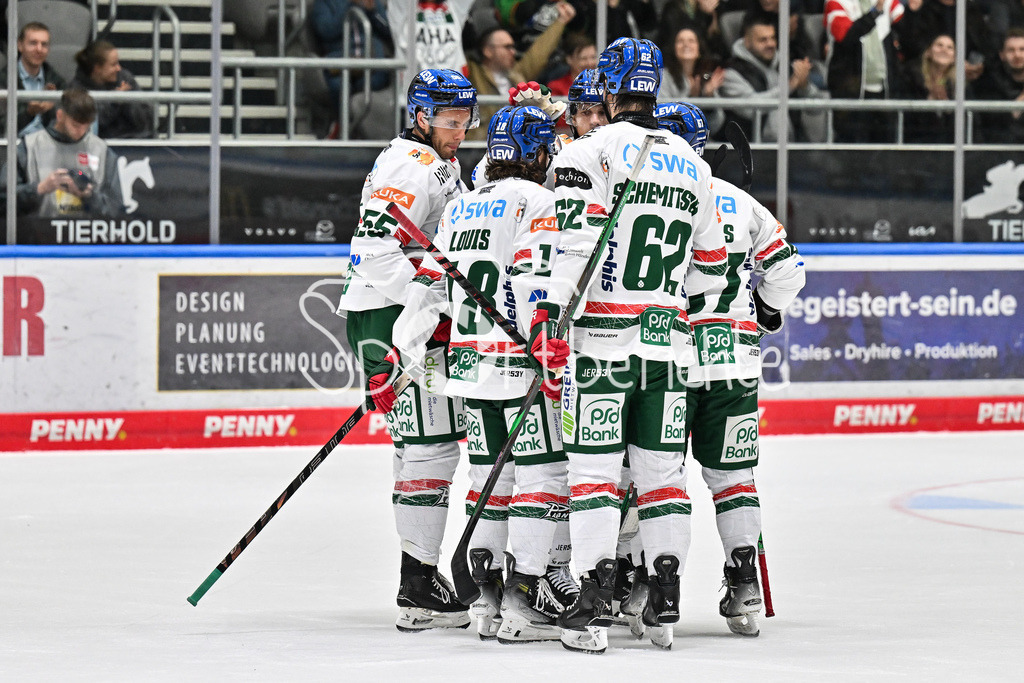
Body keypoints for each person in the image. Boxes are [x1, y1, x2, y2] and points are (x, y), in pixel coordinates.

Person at [548, 37, 727, 654]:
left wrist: (550, 315)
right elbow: (711, 269)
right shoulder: (693, 164)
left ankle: (594, 601)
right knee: (661, 474)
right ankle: (663, 598)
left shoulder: (592, 149)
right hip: (668, 345)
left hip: (601, 341)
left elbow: (574, 243)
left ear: (609, 83)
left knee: (596, 473)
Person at [392, 104, 574, 643]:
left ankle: (486, 601)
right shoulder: (540, 200)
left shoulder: (463, 208)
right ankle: (524, 599)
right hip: (522, 366)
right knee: (542, 477)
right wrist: (543, 340)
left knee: (489, 482)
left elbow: (426, 289)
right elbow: (532, 277)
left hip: (472, 370)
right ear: (539, 153)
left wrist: (403, 350)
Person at [334, 68, 478, 632]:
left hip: (396, 317)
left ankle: (418, 572)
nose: (459, 130)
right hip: (389, 318)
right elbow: (374, 254)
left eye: (466, 121)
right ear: (421, 115)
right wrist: (428, 310)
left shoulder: (432, 161)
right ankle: (416, 585)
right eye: (449, 121)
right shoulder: (408, 166)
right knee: (432, 448)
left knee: (423, 446)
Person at [656, 100, 805, 637]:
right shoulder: (743, 204)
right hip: (736, 358)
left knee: (653, 474)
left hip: (665, 357)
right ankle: (745, 581)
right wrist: (766, 309)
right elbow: (788, 272)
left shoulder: (650, 197)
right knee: (732, 476)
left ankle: (648, 581)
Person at [2, 88, 124, 218]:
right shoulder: (29, 147)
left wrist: (89, 197)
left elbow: (115, 208)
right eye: (76, 125)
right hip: (37, 233)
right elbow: (3, 199)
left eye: (87, 126)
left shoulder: (101, 150)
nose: (81, 132)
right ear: (60, 116)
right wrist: (39, 189)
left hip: (86, 233)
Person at [465, 3, 576, 140]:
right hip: (480, 146)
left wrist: (560, 22)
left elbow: (537, 55)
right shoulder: (471, 73)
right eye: (507, 47)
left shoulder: (515, 73)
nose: (513, 51)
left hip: (517, 142)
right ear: (487, 51)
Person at [720, 12, 827, 142]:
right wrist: (790, 86)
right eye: (763, 40)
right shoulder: (731, 73)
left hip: (793, 149)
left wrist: (804, 87)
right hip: (751, 152)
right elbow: (750, 108)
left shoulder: (787, 67)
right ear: (747, 42)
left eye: (772, 38)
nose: (770, 44)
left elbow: (818, 109)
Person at [824, 0, 908, 142]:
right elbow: (846, 37)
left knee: (885, 150)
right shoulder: (836, 3)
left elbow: (908, 32)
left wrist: (914, 10)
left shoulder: (888, 2)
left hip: (885, 91)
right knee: (852, 151)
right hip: (850, 93)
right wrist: (874, 13)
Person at [71, 40, 153, 139]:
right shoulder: (77, 89)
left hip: (137, 142)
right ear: (97, 68)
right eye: (113, 64)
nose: (119, 68)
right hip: (102, 145)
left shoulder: (125, 78)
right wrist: (115, 101)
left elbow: (146, 119)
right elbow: (91, 122)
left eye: (118, 63)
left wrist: (128, 100)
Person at [660, 26, 726, 137]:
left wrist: (708, 97)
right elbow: (662, 116)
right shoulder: (663, 76)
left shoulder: (705, 77)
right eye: (680, 41)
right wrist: (692, 98)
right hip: (671, 140)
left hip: (700, 141)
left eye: (691, 41)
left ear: (699, 49)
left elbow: (716, 125)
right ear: (674, 49)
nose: (686, 45)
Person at [898, 33, 956, 143]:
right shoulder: (912, 78)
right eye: (939, 45)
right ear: (928, 52)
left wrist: (948, 109)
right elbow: (906, 120)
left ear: (954, 58)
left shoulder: (959, 85)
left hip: (949, 147)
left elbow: (969, 123)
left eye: (950, 47)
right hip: (917, 144)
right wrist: (929, 101)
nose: (944, 50)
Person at [972, 27, 1024, 143]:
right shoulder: (990, 83)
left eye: (1022, 49)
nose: (1017, 55)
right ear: (1002, 55)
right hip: (1000, 151)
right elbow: (999, 123)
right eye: (1011, 50)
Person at [15, 22, 67, 138]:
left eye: (44, 44)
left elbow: (67, 123)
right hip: (14, 146)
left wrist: (52, 108)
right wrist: (29, 113)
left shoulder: (56, 80)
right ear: (20, 45)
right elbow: (3, 127)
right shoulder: (5, 79)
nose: (39, 49)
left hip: (49, 144)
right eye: (33, 43)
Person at [548, 32, 598, 96]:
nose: (590, 63)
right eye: (583, 58)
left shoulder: (605, 85)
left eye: (593, 57)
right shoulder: (557, 87)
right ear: (569, 59)